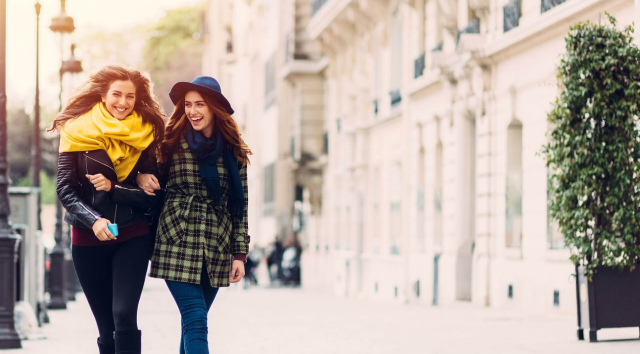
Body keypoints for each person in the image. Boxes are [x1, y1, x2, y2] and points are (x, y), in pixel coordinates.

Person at [51, 65, 165, 354]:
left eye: (130, 96)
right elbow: (65, 189)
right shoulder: (75, 130)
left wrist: (121, 185)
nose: (123, 103)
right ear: (103, 94)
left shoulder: (145, 133)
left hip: (132, 234)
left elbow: (150, 197)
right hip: (88, 240)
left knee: (124, 316)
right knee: (106, 327)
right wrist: (94, 221)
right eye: (116, 94)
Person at [137, 76, 251, 354]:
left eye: (199, 104)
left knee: (193, 322)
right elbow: (145, 170)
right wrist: (141, 177)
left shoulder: (234, 150)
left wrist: (239, 254)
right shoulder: (170, 141)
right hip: (177, 238)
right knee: (196, 318)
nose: (193, 111)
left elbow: (240, 205)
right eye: (188, 104)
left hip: (216, 245)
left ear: (214, 108)